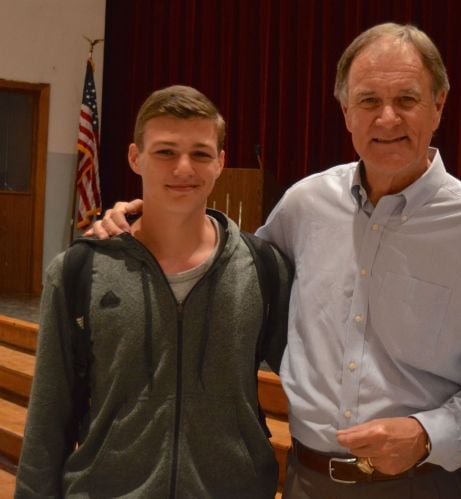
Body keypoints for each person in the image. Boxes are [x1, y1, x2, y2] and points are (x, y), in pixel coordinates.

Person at [88, 23, 461, 498]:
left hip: (424, 483)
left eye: (406, 99)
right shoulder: (305, 205)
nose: (387, 118)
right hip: (307, 479)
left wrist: (427, 435)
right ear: (345, 111)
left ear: (439, 105)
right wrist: (145, 224)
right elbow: (228, 274)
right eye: (368, 100)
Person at [15, 85, 292, 498]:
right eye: (165, 152)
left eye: (200, 153)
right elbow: (48, 417)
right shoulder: (79, 270)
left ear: (220, 162)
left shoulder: (263, 268)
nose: (183, 168)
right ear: (135, 157)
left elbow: (312, 381)